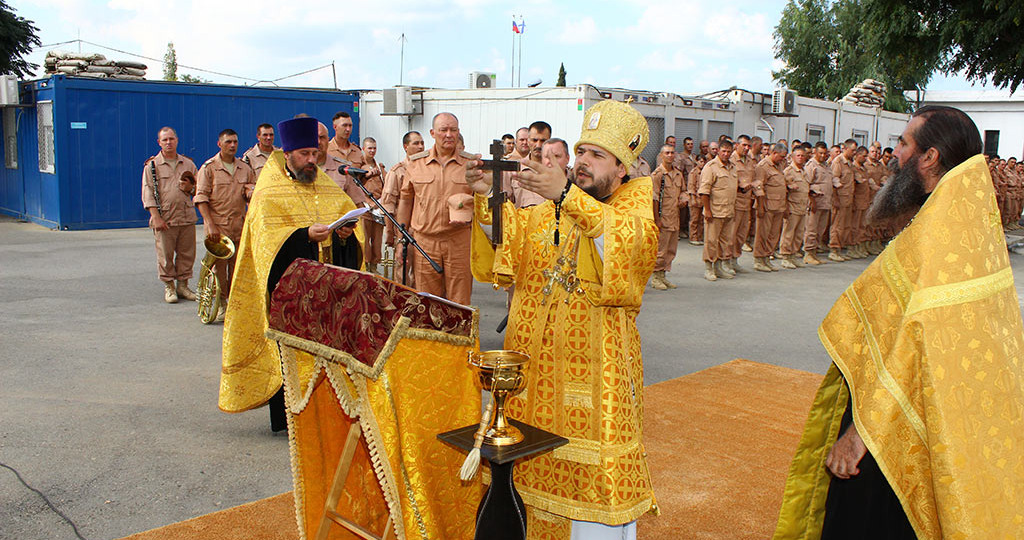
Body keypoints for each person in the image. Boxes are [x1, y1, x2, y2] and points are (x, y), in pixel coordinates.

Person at [773, 105, 1024, 539]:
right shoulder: (959, 221)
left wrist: (858, 436)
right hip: (930, 421)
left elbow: (912, 349)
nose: (895, 153)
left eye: (904, 143)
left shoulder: (940, 233)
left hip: (893, 435)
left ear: (929, 157)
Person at [465, 99, 658, 539]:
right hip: (536, 380)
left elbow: (622, 245)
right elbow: (507, 242)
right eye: (582, 151)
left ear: (622, 168)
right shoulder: (551, 211)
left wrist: (567, 195)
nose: (584, 162)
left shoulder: (634, 216)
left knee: (592, 516)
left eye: (598, 155)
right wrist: (486, 195)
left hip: (597, 382)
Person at [219, 116, 362, 432]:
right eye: (304, 154)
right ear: (288, 154)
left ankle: (327, 412)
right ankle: (291, 420)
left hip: (326, 292)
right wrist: (304, 236)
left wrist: (345, 236)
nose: (312, 160)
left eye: (314, 153)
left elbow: (347, 228)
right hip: (286, 291)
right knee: (290, 355)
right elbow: (265, 246)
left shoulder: (326, 186)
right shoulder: (269, 190)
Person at [396, 112, 475, 305]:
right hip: (425, 242)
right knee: (427, 301)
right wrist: (400, 240)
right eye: (443, 130)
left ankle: (458, 327)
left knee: (459, 301)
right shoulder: (416, 164)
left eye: (453, 130)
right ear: (432, 133)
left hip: (459, 241)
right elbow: (406, 201)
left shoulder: (470, 164)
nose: (449, 134)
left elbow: (484, 202)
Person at [194, 129, 256, 315]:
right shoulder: (209, 168)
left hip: (239, 225)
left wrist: (251, 192)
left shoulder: (244, 168)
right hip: (218, 227)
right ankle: (221, 304)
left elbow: (250, 192)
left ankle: (234, 303)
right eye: (228, 142)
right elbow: (201, 199)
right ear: (219, 144)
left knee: (238, 268)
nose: (232, 145)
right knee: (219, 269)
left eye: (235, 142)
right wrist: (209, 224)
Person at [142, 126, 199, 303]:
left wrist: (191, 188)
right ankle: (169, 286)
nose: (168, 142)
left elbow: (200, 190)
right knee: (165, 255)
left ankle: (183, 286)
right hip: (165, 218)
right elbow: (148, 192)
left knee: (187, 253)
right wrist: (156, 217)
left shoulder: (188, 164)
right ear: (159, 142)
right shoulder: (152, 166)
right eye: (165, 140)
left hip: (186, 216)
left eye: (171, 139)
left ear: (177, 140)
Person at [381, 131, 425, 285]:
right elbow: (388, 205)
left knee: (422, 275)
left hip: (423, 230)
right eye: (416, 143)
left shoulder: (426, 170)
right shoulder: (397, 172)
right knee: (403, 274)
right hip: (405, 232)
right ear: (406, 147)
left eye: (422, 143)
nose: (420, 147)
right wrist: (390, 233)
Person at [699, 139, 738, 281]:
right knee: (711, 241)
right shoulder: (710, 167)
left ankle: (718, 266)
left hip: (728, 211)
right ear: (718, 151)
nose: (726, 154)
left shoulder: (733, 167)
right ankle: (708, 268)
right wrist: (707, 210)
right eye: (723, 151)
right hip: (714, 211)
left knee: (724, 241)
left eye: (729, 152)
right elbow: (704, 191)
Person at [650, 144, 685, 289]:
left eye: (672, 153)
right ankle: (656, 277)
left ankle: (663, 275)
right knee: (661, 249)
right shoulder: (657, 175)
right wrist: (657, 219)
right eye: (667, 153)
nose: (670, 155)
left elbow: (683, 191)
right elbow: (654, 199)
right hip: (663, 217)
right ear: (661, 156)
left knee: (671, 249)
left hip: (674, 217)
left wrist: (683, 199)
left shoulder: (678, 174)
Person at [752, 143, 789, 272]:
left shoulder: (779, 165)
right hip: (767, 206)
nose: (783, 159)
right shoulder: (763, 166)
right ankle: (759, 259)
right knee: (762, 234)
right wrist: (760, 207)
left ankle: (767, 257)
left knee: (773, 235)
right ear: (774, 153)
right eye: (781, 156)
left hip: (778, 206)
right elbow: (758, 187)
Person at [778, 145, 810, 269]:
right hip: (792, 206)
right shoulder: (788, 171)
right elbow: (784, 191)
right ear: (792, 157)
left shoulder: (804, 171)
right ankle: (785, 256)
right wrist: (785, 207)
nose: (800, 158)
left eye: (802, 156)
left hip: (802, 207)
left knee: (799, 234)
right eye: (798, 155)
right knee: (789, 233)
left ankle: (793, 255)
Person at [728, 135, 756, 273]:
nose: (746, 148)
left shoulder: (750, 161)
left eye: (748, 146)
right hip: (735, 201)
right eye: (744, 145)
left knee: (741, 234)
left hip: (746, 202)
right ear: (736, 145)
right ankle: (726, 260)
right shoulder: (731, 160)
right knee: (731, 234)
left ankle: (735, 259)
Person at [803, 142, 834, 265]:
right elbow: (807, 184)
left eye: (824, 153)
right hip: (815, 203)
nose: (822, 155)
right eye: (820, 153)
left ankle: (814, 252)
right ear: (815, 152)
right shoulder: (811, 165)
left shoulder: (826, 166)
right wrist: (811, 200)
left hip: (825, 203)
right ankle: (808, 253)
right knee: (811, 229)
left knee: (820, 229)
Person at [359, 137, 386, 273]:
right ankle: (366, 266)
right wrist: (368, 203)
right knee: (365, 238)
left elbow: (386, 185)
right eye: (369, 148)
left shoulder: (379, 167)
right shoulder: (359, 167)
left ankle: (374, 266)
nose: (372, 151)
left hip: (378, 208)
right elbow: (356, 187)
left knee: (377, 240)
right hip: (365, 209)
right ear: (363, 149)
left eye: (374, 148)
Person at [828, 140, 858, 262]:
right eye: (853, 150)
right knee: (837, 226)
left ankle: (840, 248)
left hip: (848, 199)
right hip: (840, 200)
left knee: (845, 226)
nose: (854, 153)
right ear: (845, 149)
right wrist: (835, 199)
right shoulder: (838, 162)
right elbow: (834, 180)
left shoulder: (850, 163)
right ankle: (834, 249)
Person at [511, 121, 552, 208]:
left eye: (543, 141)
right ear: (528, 141)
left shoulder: (559, 171)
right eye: (534, 140)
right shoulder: (514, 170)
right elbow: (506, 204)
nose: (538, 145)